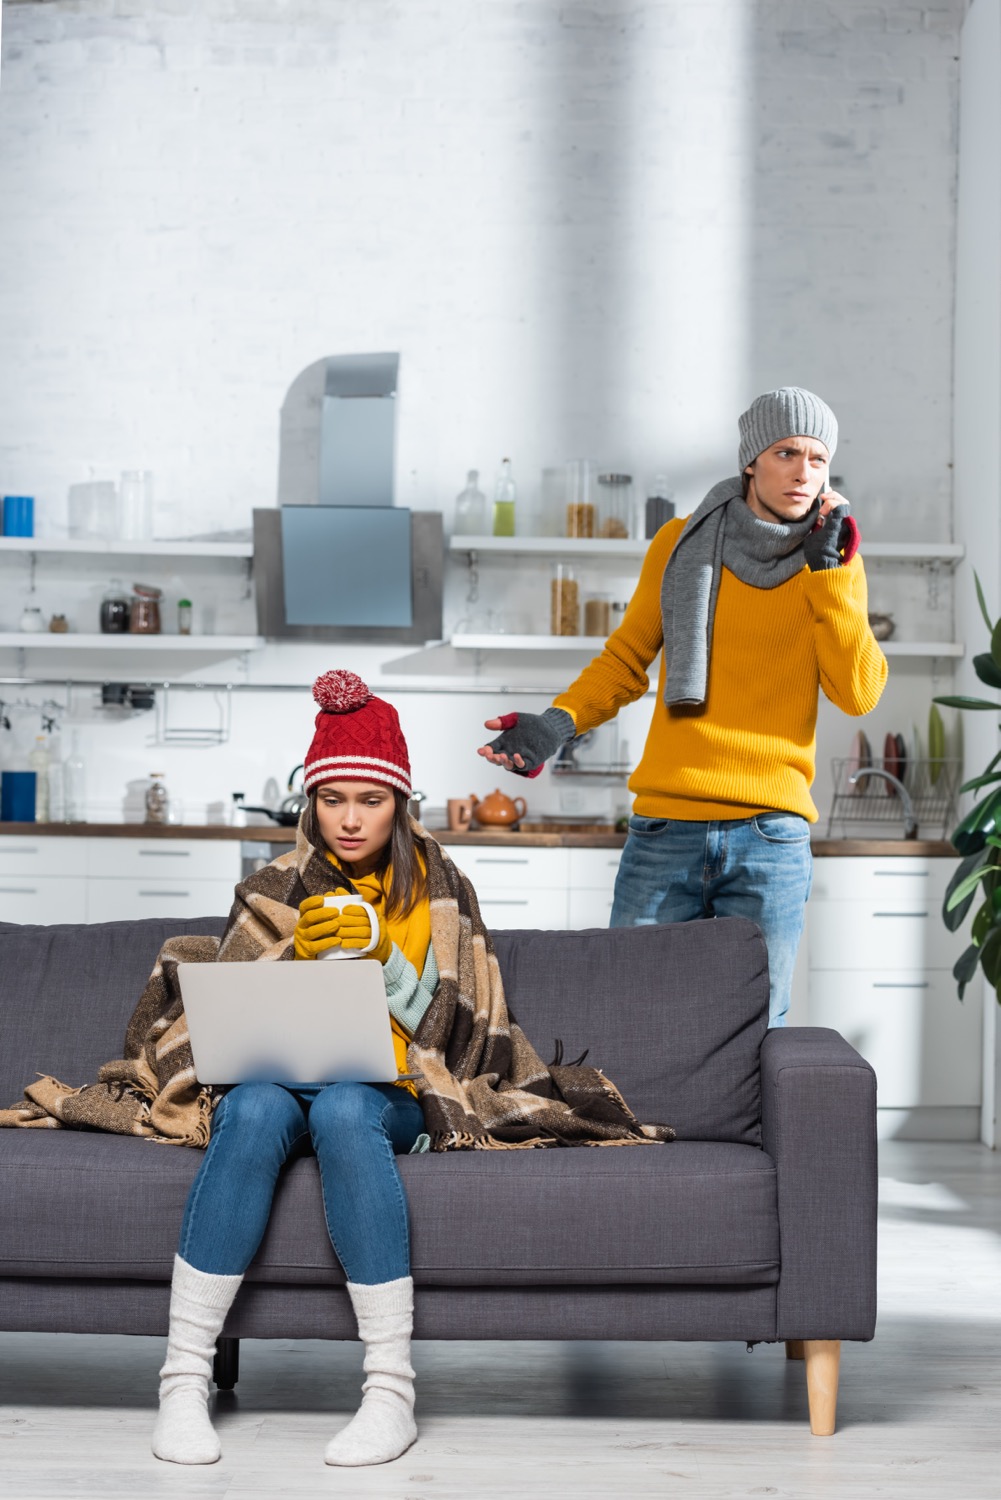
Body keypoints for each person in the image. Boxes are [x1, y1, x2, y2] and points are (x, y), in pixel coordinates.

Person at [138, 669, 671, 1469]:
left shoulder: (441, 889)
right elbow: (228, 1011)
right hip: (279, 1083)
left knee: (348, 1106)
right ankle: (182, 1382)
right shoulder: (270, 887)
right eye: (332, 799)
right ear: (310, 804)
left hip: (394, 1090)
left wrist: (384, 957)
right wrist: (291, 962)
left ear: (401, 803)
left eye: (371, 800)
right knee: (250, 1109)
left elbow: (452, 1033)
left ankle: (390, 1391)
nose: (349, 820)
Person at [478, 387, 888, 1026]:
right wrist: (555, 724)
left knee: (754, 1029)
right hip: (665, 831)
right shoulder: (681, 543)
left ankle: (743, 1135)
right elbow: (625, 659)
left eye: (818, 458)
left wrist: (830, 574)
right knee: (628, 1019)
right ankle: (641, 1133)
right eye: (787, 453)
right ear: (752, 459)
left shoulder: (834, 559)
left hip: (771, 836)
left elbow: (857, 692)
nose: (804, 472)